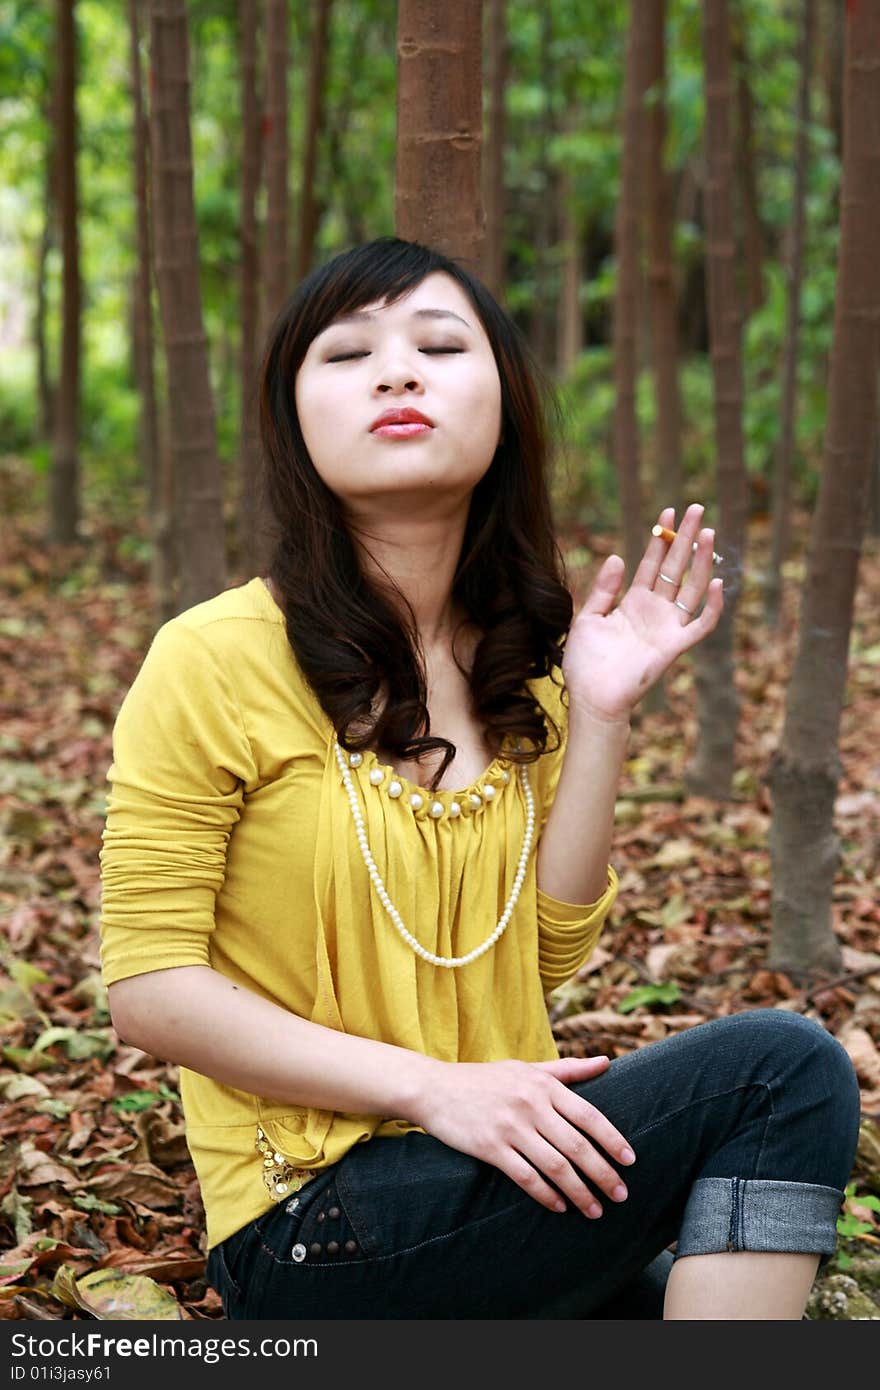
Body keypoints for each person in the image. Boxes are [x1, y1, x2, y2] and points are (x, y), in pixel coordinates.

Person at [99, 236, 860, 1321]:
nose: (397, 372)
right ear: (293, 419)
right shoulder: (213, 657)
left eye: (440, 345)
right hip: (314, 1217)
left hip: (497, 1182)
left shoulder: (528, 670)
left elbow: (543, 950)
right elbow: (149, 989)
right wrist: (433, 1087)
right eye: (347, 353)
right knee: (781, 1069)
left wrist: (598, 714)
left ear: (503, 405)